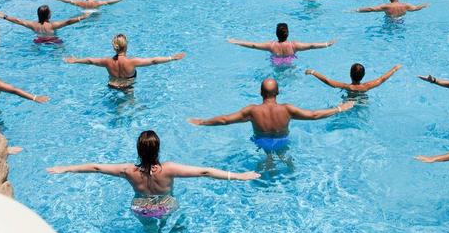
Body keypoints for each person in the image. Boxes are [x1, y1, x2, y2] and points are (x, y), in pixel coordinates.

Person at [47, 130, 259, 220]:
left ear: (139, 150)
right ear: (157, 150)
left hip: (142, 208)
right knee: (177, 225)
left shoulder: (129, 171)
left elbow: (95, 167)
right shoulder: (168, 169)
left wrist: (65, 168)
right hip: (166, 204)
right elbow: (205, 172)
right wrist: (239, 176)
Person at [188, 78, 354, 154]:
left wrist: (201, 122)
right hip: (283, 141)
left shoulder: (252, 111)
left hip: (261, 143)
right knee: (286, 160)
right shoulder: (287, 109)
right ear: (278, 92)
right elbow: (314, 115)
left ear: (260, 92)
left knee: (266, 164)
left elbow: (225, 120)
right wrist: (339, 108)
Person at [63, 34, 185, 89]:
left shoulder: (107, 61)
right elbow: (153, 61)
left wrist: (75, 60)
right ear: (126, 46)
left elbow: (90, 60)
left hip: (112, 85)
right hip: (127, 86)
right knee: (131, 106)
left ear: (114, 47)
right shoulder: (132, 62)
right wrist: (171, 58)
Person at [227, 23, 335, 66]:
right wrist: (326, 44)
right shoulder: (294, 45)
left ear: (276, 33)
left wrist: (236, 41)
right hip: (289, 62)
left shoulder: (271, 45)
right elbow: (311, 46)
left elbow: (253, 45)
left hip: (276, 62)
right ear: (288, 33)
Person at [0, 6, 93, 44]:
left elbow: (18, 21)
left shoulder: (33, 25)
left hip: (39, 41)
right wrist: (82, 17)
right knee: (61, 47)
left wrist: (5, 16)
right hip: (54, 40)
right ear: (48, 14)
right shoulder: (53, 25)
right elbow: (68, 22)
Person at [305, 63, 401, 94]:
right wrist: (394, 69)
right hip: (362, 103)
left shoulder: (347, 87)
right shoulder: (366, 87)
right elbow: (382, 79)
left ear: (350, 74)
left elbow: (327, 81)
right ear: (363, 75)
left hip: (348, 103)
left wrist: (313, 72)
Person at [356, 0, 427, 18]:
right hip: (401, 23)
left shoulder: (387, 6)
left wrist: (357, 10)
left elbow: (371, 9)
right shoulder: (406, 6)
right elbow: (416, 8)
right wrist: (424, 5)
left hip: (390, 24)